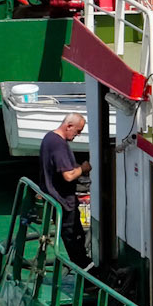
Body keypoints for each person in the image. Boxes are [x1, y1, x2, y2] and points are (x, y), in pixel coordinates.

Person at [39, 112, 90, 268]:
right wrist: (83, 168)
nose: (78, 135)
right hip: (62, 201)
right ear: (69, 126)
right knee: (75, 239)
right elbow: (68, 176)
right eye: (78, 131)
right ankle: (87, 276)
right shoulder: (59, 145)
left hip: (52, 197)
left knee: (74, 238)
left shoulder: (49, 138)